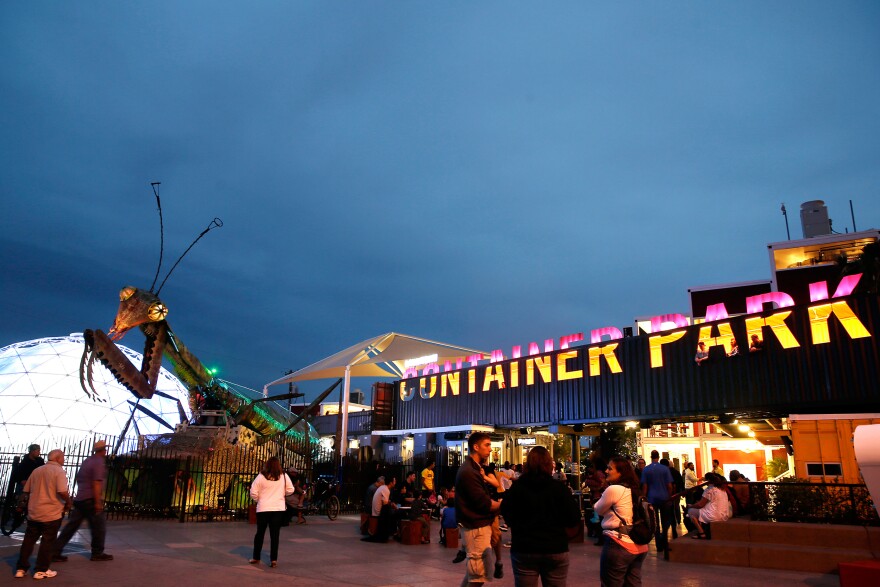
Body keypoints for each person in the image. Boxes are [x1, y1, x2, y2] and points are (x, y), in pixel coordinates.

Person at [500, 445, 581, 587]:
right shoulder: (559, 488)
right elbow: (574, 516)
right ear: (549, 464)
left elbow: (507, 513)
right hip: (555, 546)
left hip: (524, 547)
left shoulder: (517, 488)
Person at [52, 439, 113, 563]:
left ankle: (55, 551)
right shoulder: (98, 462)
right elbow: (96, 482)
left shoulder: (87, 461)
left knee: (71, 527)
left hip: (80, 498)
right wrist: (97, 502)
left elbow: (79, 478)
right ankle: (97, 553)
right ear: (103, 450)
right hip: (90, 499)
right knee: (99, 527)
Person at [15, 449, 71, 580]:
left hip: (34, 512)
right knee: (47, 542)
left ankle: (21, 568)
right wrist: (68, 502)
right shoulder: (59, 471)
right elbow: (62, 491)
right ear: (57, 459)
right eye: (63, 457)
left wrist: (21, 506)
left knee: (28, 541)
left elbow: (26, 490)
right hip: (51, 513)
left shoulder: (37, 470)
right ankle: (41, 570)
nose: (64, 460)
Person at [455, 431, 502, 586]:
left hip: (478, 526)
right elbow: (484, 504)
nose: (490, 449)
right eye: (487, 445)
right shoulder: (469, 471)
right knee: (477, 576)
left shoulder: (475, 468)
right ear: (476, 447)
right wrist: (504, 504)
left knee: (474, 574)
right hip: (475, 529)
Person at [594, 457, 649, 586]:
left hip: (619, 543)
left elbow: (598, 508)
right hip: (639, 545)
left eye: (610, 468)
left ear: (621, 472)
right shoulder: (634, 489)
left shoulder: (614, 489)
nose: (606, 471)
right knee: (633, 583)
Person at [248, 456, 294, 566]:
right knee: (275, 535)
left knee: (260, 533)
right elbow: (290, 489)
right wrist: (282, 494)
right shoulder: (283, 476)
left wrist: (259, 499)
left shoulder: (261, 476)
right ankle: (274, 559)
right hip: (278, 508)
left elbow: (253, 491)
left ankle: (256, 557)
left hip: (263, 508)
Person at [640, 450, 674, 552]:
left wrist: (643, 498)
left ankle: (658, 544)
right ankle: (665, 540)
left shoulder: (646, 470)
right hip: (664, 498)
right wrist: (669, 496)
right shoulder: (664, 469)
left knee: (655, 522)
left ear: (651, 457)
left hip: (652, 498)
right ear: (658, 457)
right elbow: (669, 486)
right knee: (665, 520)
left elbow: (645, 486)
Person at [686, 473, 731, 538]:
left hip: (714, 515)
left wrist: (691, 506)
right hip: (724, 514)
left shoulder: (710, 489)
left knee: (691, 511)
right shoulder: (722, 489)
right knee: (701, 511)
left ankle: (701, 532)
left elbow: (700, 504)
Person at [363, 476, 398, 542]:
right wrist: (392, 504)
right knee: (394, 513)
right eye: (394, 481)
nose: (395, 483)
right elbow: (385, 503)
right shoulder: (386, 489)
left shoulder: (383, 487)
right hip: (378, 511)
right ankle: (393, 532)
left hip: (377, 509)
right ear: (391, 483)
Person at [661, 458, 684, 537]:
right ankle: (677, 522)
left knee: (667, 512)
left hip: (667, 495)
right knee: (675, 508)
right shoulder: (675, 472)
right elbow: (678, 482)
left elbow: (672, 485)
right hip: (674, 494)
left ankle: (666, 529)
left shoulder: (665, 473)